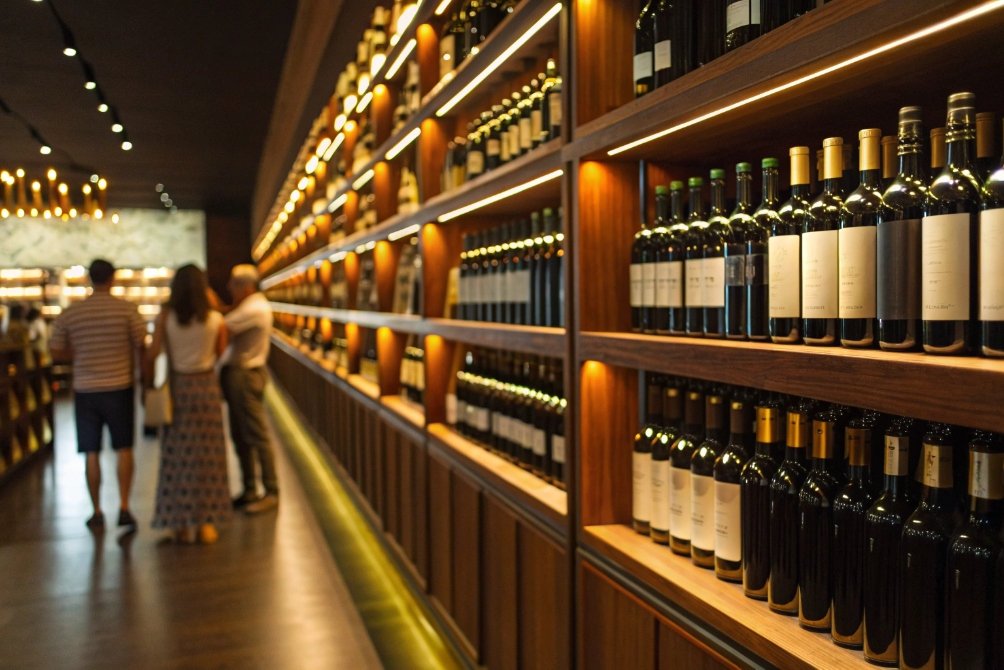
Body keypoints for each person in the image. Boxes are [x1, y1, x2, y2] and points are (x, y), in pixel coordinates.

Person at [50, 259, 146, 530]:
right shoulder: (126, 310)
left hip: (85, 389)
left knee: (90, 451)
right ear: (113, 278)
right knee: (123, 448)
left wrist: (78, 354)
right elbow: (142, 344)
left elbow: (55, 350)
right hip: (120, 386)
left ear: (89, 279)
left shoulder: (73, 312)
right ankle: (125, 506)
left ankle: (96, 510)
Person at [145, 265, 232, 544]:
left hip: (178, 389)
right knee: (208, 458)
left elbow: (153, 351)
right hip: (206, 388)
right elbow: (222, 354)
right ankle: (206, 524)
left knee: (177, 458)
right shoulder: (216, 319)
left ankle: (180, 523)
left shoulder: (166, 317)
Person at [216, 264, 278, 514]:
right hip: (240, 374)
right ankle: (250, 489)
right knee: (241, 435)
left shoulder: (254, 307)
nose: (229, 288)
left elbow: (220, 326)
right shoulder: (251, 306)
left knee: (255, 434)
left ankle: (271, 491)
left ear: (246, 286)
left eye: (233, 283)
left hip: (245, 374)